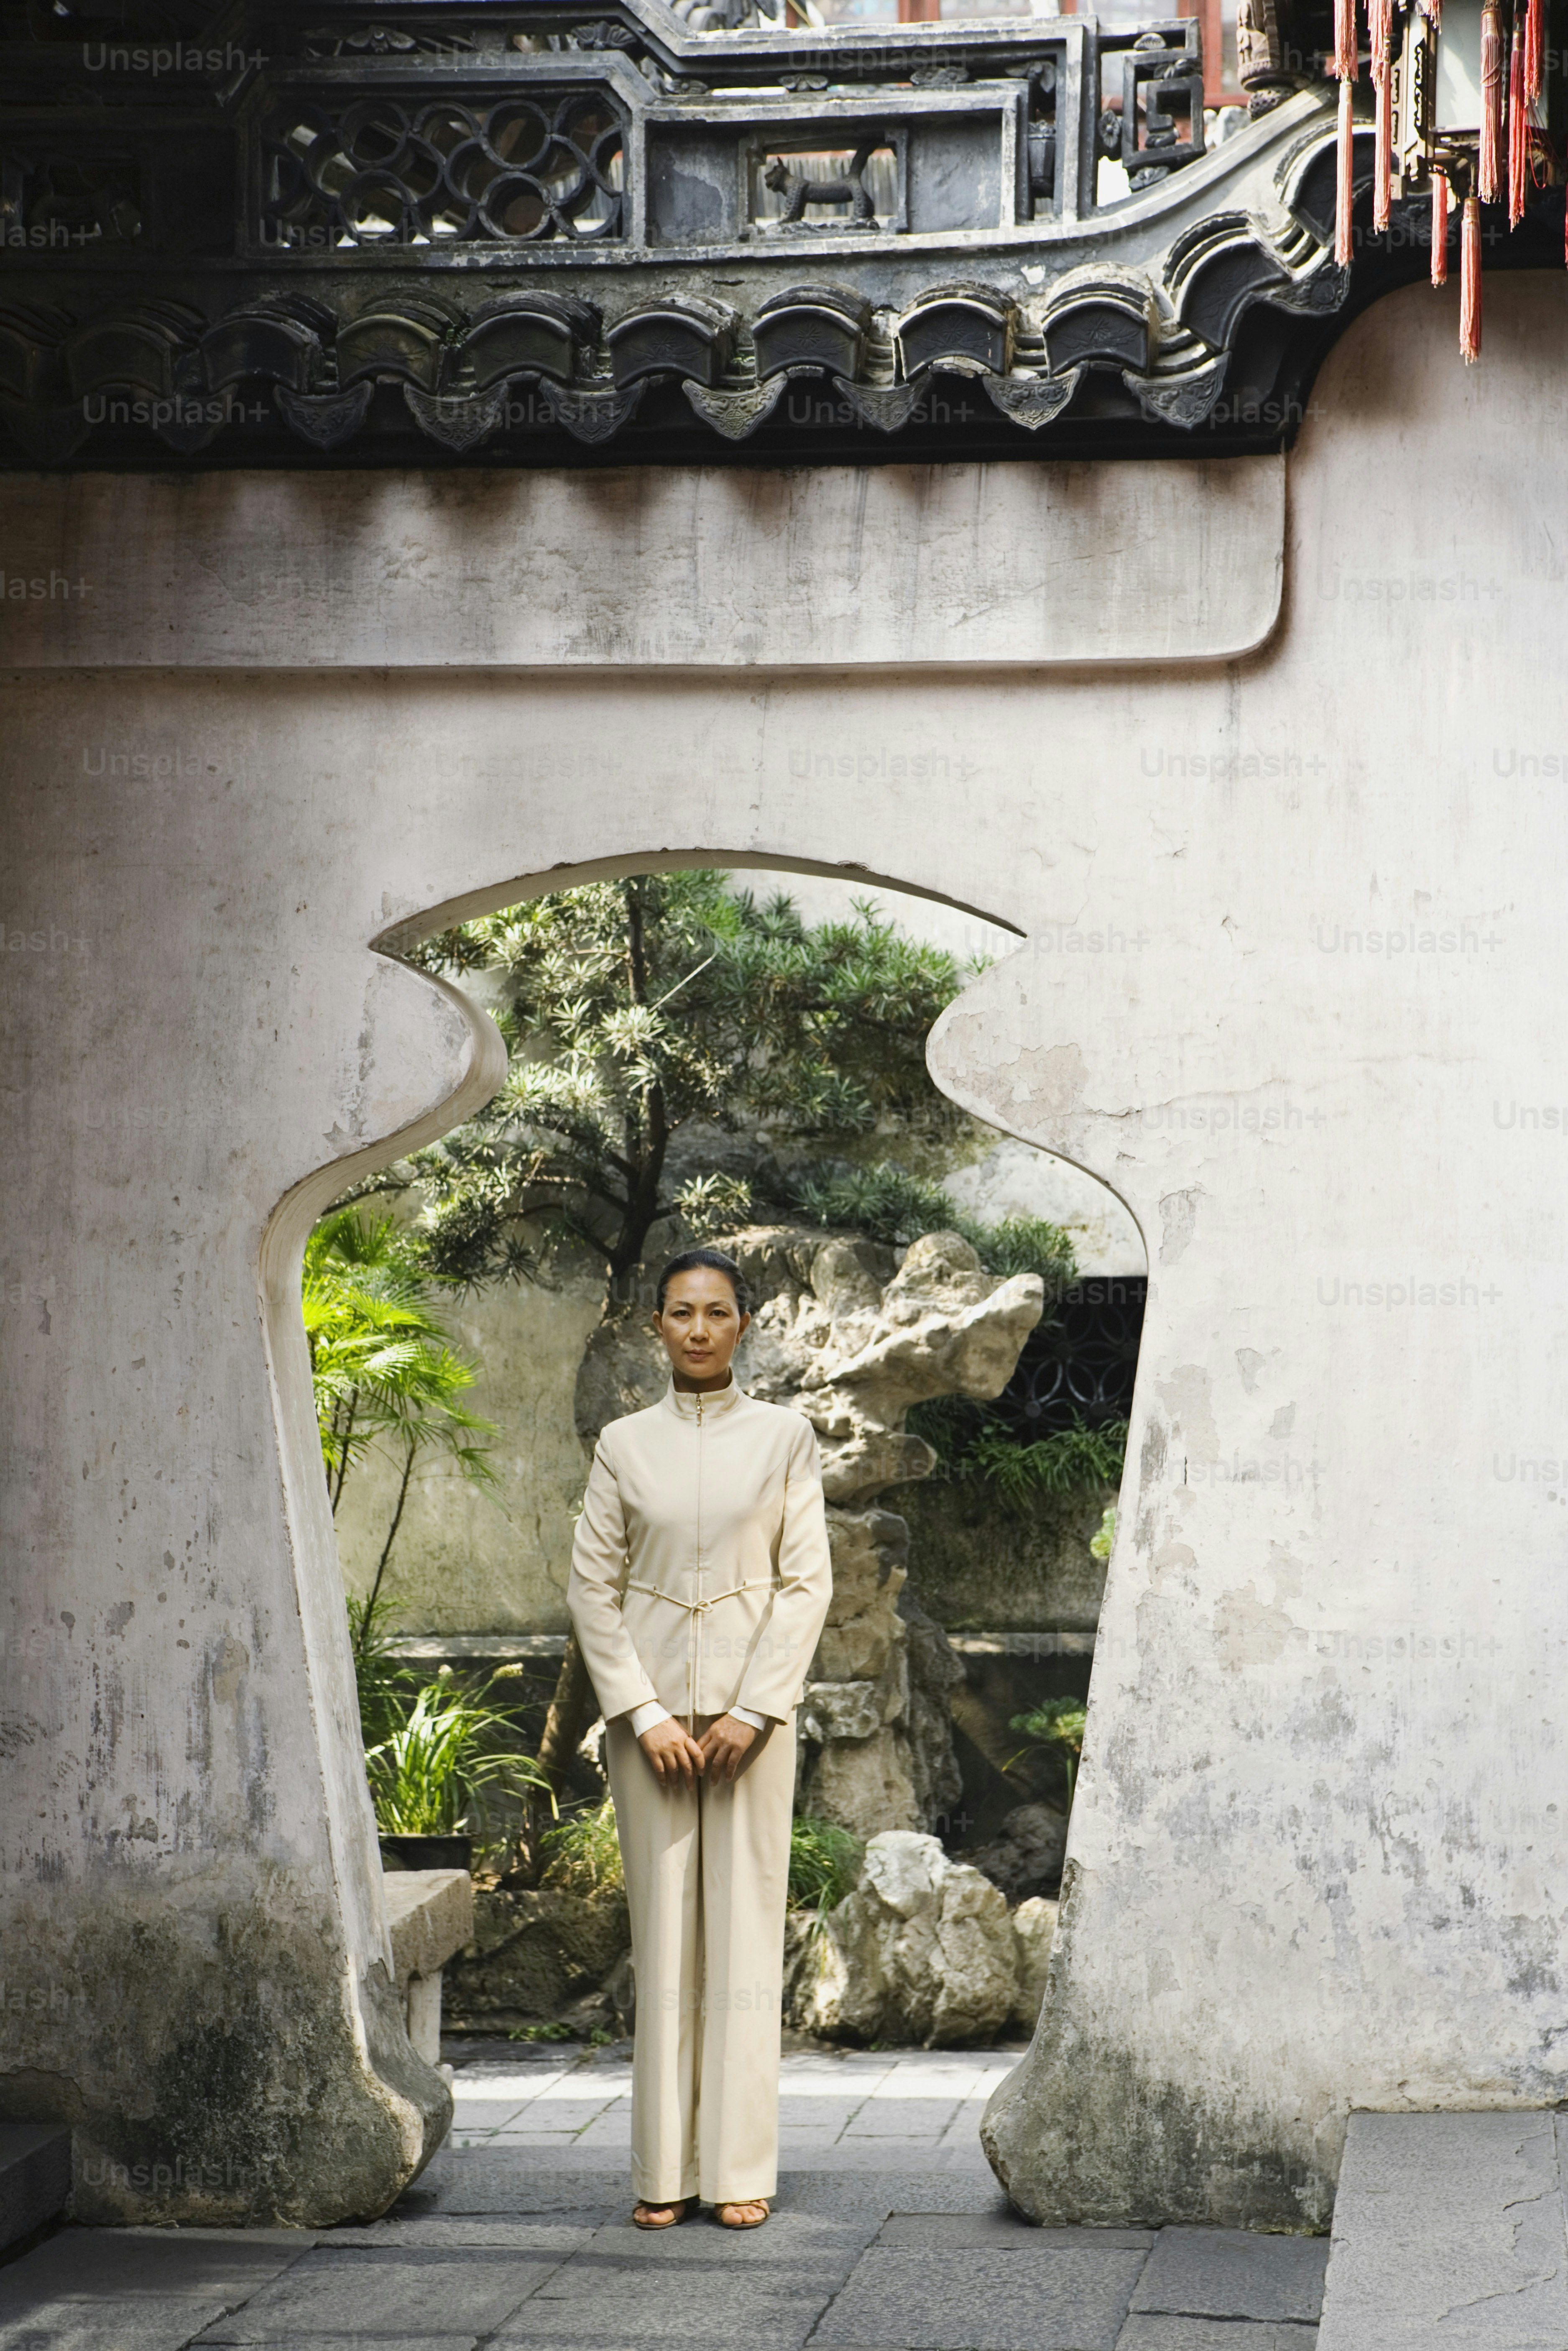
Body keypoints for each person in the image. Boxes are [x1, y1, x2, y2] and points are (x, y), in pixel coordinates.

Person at [566, 1245, 833, 2231]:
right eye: (681, 1312)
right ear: (657, 1327)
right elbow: (592, 1586)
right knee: (666, 1938)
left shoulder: (786, 1437)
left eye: (718, 1312)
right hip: (652, 1729)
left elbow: (808, 1582)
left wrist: (755, 1709)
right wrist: (638, 1712)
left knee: (745, 1937)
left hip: (750, 1725)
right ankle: (662, 2173)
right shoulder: (625, 1444)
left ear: (743, 1325)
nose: (699, 1329)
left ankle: (738, 2167)